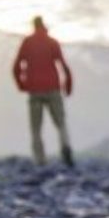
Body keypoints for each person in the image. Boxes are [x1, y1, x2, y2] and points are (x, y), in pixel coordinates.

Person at [12, 15, 75, 167]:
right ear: (44, 25)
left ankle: (40, 159)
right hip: (53, 88)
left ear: (33, 26)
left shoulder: (27, 43)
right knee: (60, 123)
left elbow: (16, 66)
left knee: (36, 128)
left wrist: (21, 84)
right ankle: (65, 147)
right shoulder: (52, 42)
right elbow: (63, 65)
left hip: (34, 90)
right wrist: (67, 86)